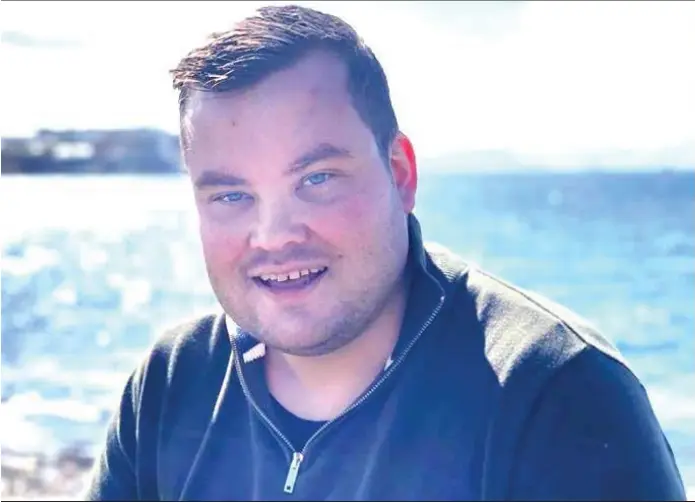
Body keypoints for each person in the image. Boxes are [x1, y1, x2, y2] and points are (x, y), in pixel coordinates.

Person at [84, 4, 686, 501]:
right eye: (232, 195)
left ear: (400, 174)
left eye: (316, 179)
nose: (272, 235)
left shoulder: (555, 395)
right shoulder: (172, 382)